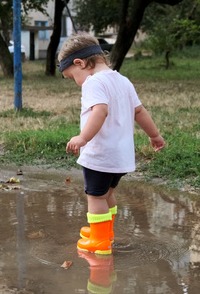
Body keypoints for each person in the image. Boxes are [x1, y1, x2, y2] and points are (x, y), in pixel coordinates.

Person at [58, 33, 165, 255]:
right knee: (107, 193)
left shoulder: (92, 82)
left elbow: (100, 111)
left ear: (80, 63)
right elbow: (139, 111)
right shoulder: (122, 80)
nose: (76, 82)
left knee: (95, 196)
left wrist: (82, 138)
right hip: (120, 156)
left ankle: (99, 242)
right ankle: (106, 232)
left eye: (72, 77)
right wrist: (154, 135)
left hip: (100, 154)